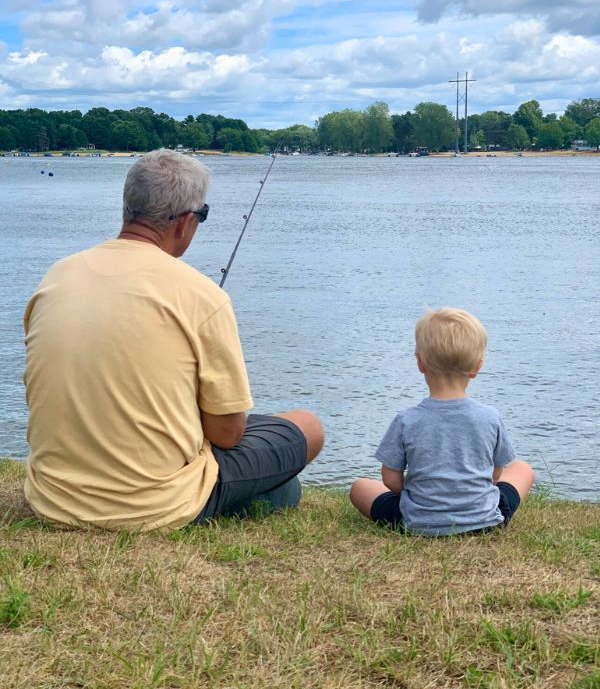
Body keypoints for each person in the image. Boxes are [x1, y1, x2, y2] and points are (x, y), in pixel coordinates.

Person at [23, 149, 324, 532]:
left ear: (126, 208)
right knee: (307, 426)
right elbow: (227, 434)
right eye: (202, 216)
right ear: (184, 222)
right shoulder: (201, 294)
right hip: (153, 504)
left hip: (53, 496)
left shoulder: (55, 278)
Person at [350, 308, 534, 536]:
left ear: (420, 363)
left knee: (359, 487)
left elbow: (390, 478)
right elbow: (496, 475)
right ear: (477, 367)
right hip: (485, 521)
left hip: (418, 521)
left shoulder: (406, 420)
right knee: (522, 469)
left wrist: (422, 491)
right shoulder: (490, 417)